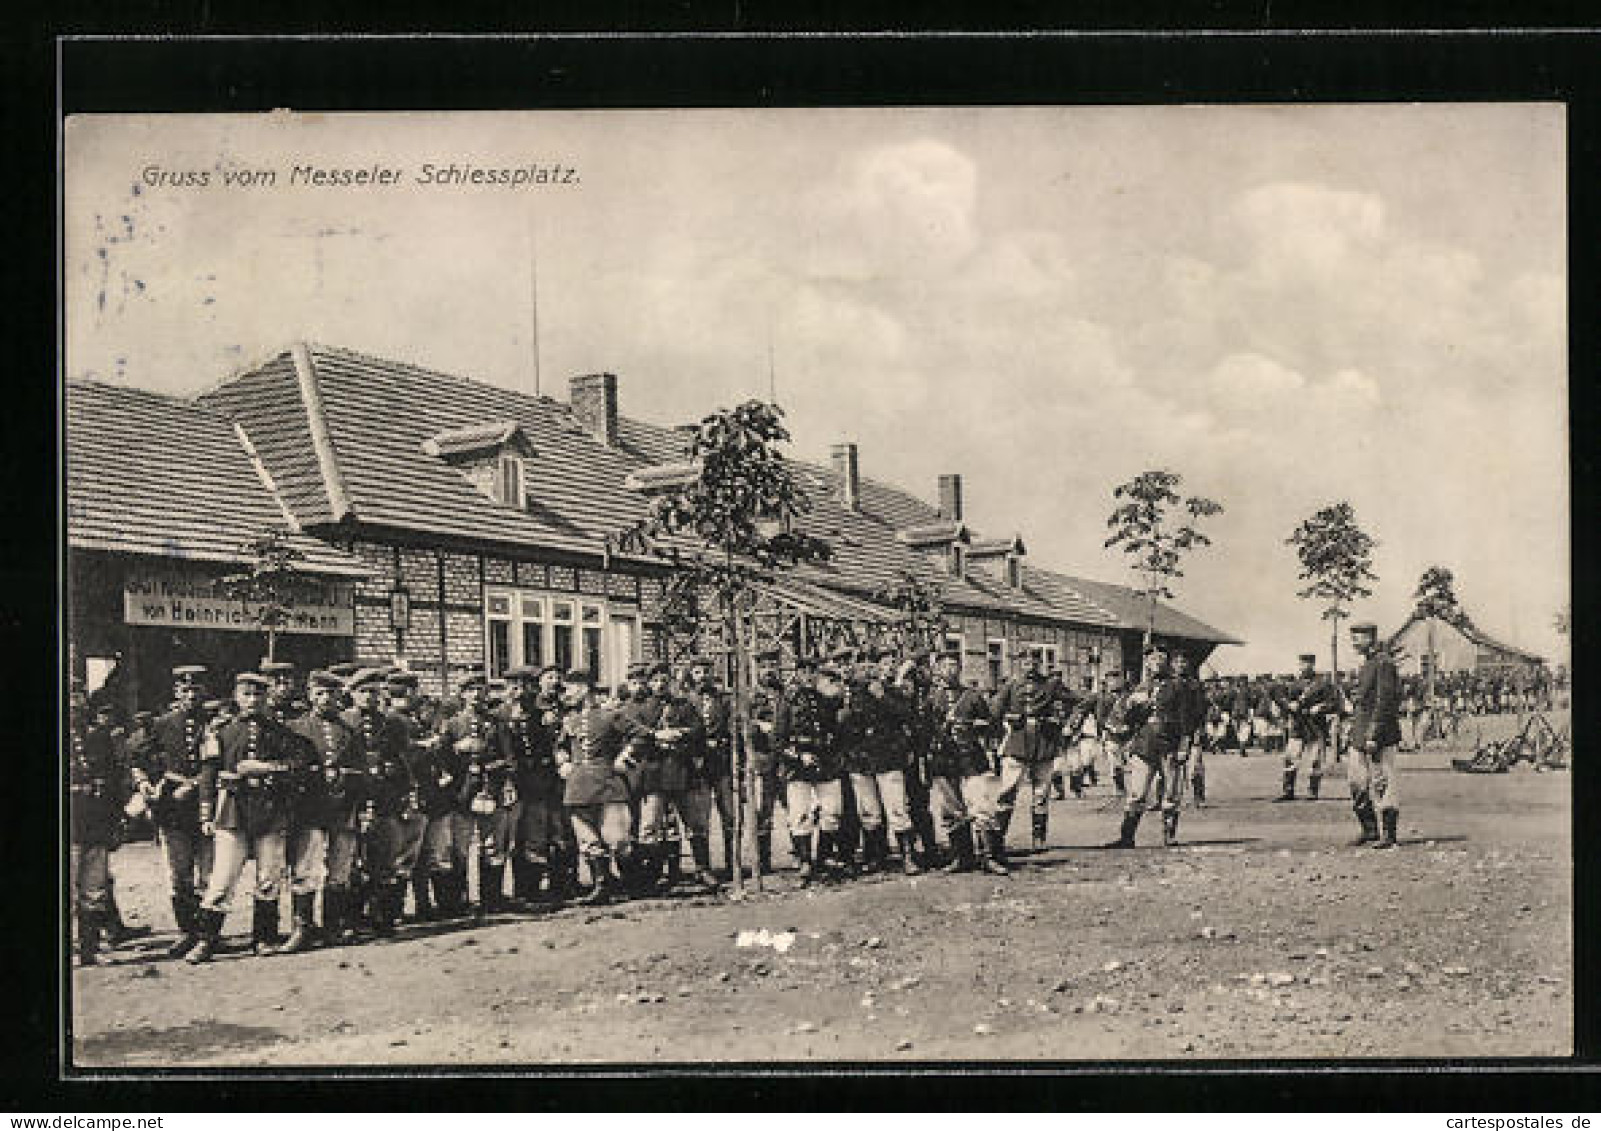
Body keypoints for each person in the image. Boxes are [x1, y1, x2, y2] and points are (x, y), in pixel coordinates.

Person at [188, 671, 310, 964]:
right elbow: (208, 774)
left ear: (266, 698)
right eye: (246, 694)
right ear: (236, 697)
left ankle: (264, 938)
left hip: (269, 811)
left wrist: (266, 768)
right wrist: (206, 812)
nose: (252, 700)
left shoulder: (281, 732)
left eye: (258, 695)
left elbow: (298, 765)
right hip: (233, 810)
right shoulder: (220, 730)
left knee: (269, 877)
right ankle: (207, 940)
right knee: (222, 878)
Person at [559, 668, 658, 905]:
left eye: (571, 688)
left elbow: (643, 735)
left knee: (618, 840)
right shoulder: (569, 719)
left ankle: (634, 883)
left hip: (608, 785)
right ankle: (601, 885)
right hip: (578, 786)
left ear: (584, 689)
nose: (567, 693)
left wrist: (625, 757)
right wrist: (562, 761)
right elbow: (560, 745)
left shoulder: (609, 716)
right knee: (588, 840)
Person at [140, 665, 216, 959]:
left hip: (207, 809)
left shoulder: (216, 723)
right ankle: (188, 932)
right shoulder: (161, 724)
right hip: (173, 811)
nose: (191, 695)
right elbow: (140, 757)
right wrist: (145, 782)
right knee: (178, 874)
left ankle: (209, 934)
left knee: (209, 875)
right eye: (185, 689)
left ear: (204, 691)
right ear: (176, 692)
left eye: (196, 689)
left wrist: (196, 785)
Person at [282, 669, 357, 952]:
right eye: (320, 693)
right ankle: (303, 928)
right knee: (306, 868)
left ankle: (333, 926)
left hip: (343, 807)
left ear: (339, 697)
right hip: (309, 808)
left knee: (340, 868)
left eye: (331, 694)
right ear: (311, 695)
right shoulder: (296, 728)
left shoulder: (349, 730)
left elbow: (359, 771)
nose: (326, 699)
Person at [838, 648, 923, 876]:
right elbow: (842, 727)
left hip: (887, 758)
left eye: (871, 666)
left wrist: (882, 697)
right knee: (869, 812)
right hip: (860, 761)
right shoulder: (848, 694)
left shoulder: (890, 691)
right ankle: (876, 857)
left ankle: (907, 856)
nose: (867, 670)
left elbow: (906, 714)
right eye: (862, 667)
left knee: (896, 808)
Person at [924, 646, 1006, 875]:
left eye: (954, 665)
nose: (950, 670)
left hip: (971, 759)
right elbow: (924, 728)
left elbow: (992, 725)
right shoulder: (931, 697)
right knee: (951, 810)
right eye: (945, 665)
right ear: (938, 669)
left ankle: (989, 857)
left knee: (981, 807)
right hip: (944, 760)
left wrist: (983, 726)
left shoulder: (972, 696)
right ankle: (961, 857)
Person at [440, 670, 516, 916]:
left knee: (492, 845)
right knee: (459, 847)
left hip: (489, 790)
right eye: (470, 690)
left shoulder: (498, 725)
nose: (476, 695)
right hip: (462, 794)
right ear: (462, 695)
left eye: (480, 690)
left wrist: (489, 766)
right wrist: (455, 749)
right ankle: (458, 900)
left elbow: (510, 760)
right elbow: (442, 760)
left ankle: (491, 898)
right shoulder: (452, 724)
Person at [346, 668, 414, 935]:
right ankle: (351, 918)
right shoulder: (344, 722)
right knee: (353, 862)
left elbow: (403, 760)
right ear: (352, 694)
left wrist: (405, 790)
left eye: (375, 692)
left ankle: (383, 918)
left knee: (385, 860)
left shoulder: (392, 724)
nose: (370, 697)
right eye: (364, 691)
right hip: (352, 801)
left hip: (386, 799)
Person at [69, 684, 131, 965]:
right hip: (66, 825)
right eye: (68, 696)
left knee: (94, 890)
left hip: (96, 824)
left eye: (78, 696)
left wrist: (117, 819)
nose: (74, 703)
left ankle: (89, 950)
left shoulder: (100, 736)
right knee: (65, 890)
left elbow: (115, 781)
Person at [503, 664, 572, 905]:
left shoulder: (538, 715)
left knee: (539, 835)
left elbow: (548, 745)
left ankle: (539, 887)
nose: (519, 692)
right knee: (515, 838)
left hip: (540, 783)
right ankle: (522, 888)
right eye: (514, 687)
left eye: (524, 687)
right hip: (513, 784)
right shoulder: (501, 714)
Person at [775, 658, 847, 883]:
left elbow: (837, 731)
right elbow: (777, 740)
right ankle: (805, 861)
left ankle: (824, 858)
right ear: (796, 674)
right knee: (800, 814)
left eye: (812, 671)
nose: (807, 675)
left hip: (825, 764)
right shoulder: (787, 702)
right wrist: (798, 756)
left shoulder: (826, 700)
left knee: (832, 812)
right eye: (803, 671)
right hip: (799, 767)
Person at [989, 651, 1067, 856]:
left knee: (1041, 793)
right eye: (1025, 662)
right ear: (1019, 664)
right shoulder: (1011, 685)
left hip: (1044, 743)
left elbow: (1076, 700)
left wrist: (1061, 720)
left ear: (1038, 664)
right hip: (1017, 742)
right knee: (1008, 790)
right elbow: (994, 710)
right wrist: (1005, 720)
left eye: (1034, 662)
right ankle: (998, 839)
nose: (1030, 665)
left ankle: (1039, 838)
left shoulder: (1050, 685)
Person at [1109, 645, 1184, 848]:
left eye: (1160, 659)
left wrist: (1183, 745)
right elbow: (1129, 720)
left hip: (1169, 744)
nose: (1156, 663)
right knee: (1137, 792)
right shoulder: (1141, 687)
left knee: (1171, 792)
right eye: (1152, 660)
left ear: (1166, 662)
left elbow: (1187, 718)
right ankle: (1127, 837)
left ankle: (1169, 836)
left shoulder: (1178, 686)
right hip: (1145, 745)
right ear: (1147, 664)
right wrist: (1133, 706)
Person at [383, 670, 440, 920]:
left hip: (423, 792)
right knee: (406, 854)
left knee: (422, 854)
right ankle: (395, 909)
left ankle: (422, 904)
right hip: (407, 794)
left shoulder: (411, 719)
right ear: (407, 693)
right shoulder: (394, 721)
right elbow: (404, 756)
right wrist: (426, 746)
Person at [1348, 622, 1404, 849]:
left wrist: (1374, 734)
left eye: (1358, 638)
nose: (1354, 642)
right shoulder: (1368, 664)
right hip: (1360, 734)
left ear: (1371, 638)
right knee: (1357, 782)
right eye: (1353, 638)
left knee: (1383, 782)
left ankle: (1388, 834)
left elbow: (1385, 701)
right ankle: (1369, 829)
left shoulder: (1384, 664)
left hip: (1378, 734)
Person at [1279, 654, 1338, 802]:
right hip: (1298, 726)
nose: (1303, 666)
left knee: (1315, 760)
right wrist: (1289, 706)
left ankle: (1313, 791)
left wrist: (1321, 707)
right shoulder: (1295, 684)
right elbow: (1286, 702)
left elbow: (1335, 703)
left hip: (1316, 726)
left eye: (1306, 663)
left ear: (1312, 664)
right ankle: (1288, 791)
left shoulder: (1322, 683)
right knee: (1290, 758)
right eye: (1301, 663)